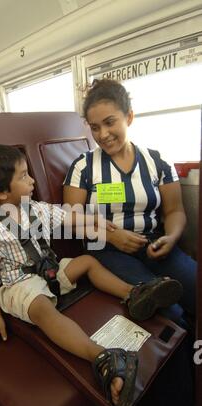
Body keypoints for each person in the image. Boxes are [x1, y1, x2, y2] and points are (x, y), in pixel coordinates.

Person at [0, 144, 183, 406]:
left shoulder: (35, 209)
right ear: (0, 192)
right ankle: (103, 357)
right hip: (19, 284)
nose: (32, 181)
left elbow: (70, 217)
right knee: (43, 309)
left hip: (49, 272)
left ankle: (135, 294)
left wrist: (102, 224)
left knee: (88, 262)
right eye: (23, 176)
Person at [63, 78, 197, 328]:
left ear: (129, 117)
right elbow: (72, 221)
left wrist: (171, 237)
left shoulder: (157, 162)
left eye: (109, 122)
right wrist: (110, 235)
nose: (102, 135)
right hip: (106, 251)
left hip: (154, 244)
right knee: (170, 312)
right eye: (94, 127)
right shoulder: (83, 167)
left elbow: (175, 210)